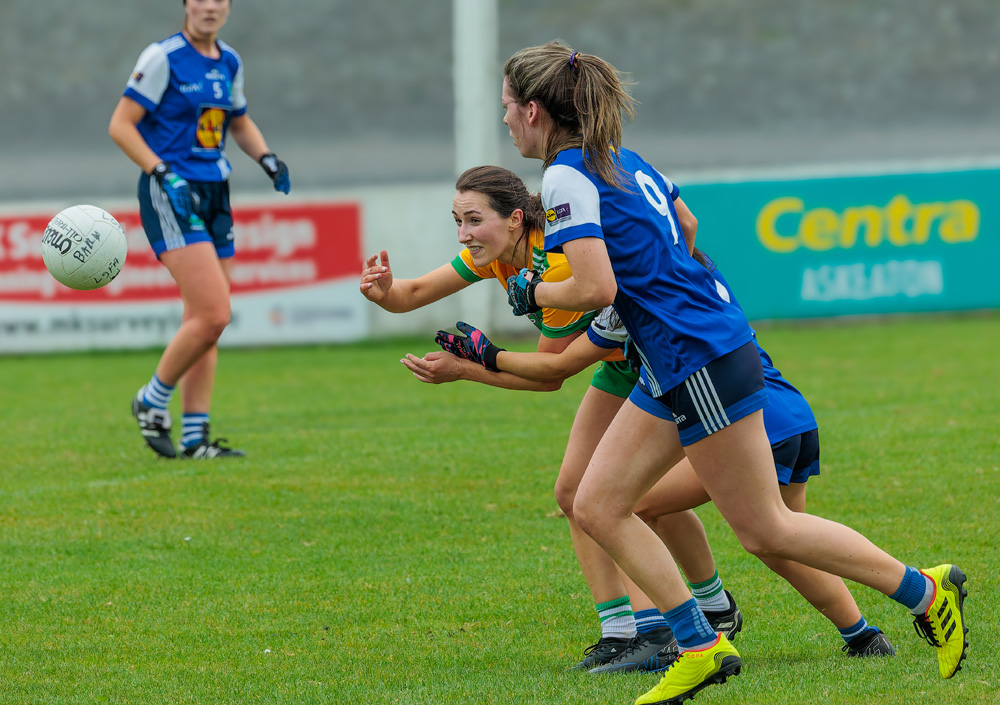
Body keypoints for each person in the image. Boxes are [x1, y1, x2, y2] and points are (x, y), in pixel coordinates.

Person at [499, 40, 968, 703]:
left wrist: (532, 291)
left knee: (764, 527)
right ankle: (701, 644)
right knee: (597, 503)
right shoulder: (623, 159)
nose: (506, 121)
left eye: (507, 108)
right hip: (683, 352)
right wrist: (664, 291)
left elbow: (596, 287)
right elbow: (685, 223)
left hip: (695, 354)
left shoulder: (564, 176)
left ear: (535, 111)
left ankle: (924, 590)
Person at [428, 254, 896, 672]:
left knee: (621, 505)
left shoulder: (643, 298)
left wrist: (487, 353)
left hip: (743, 419)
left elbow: (558, 366)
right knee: (780, 541)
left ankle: (679, 625)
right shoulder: (690, 276)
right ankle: (864, 634)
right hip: (789, 413)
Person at [381, 166, 735, 673]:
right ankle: (633, 628)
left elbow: (550, 373)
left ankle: (665, 625)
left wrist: (470, 366)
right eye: (457, 221)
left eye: (473, 220)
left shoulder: (556, 262)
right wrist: (383, 292)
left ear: (515, 219)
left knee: (632, 502)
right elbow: (412, 293)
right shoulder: (497, 254)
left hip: (658, 364)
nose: (463, 234)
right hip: (621, 365)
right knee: (577, 494)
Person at [109, 0, 290, 459]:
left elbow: (238, 120)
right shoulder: (163, 57)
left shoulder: (229, 61)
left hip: (215, 192)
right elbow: (121, 125)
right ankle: (151, 400)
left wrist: (266, 158)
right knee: (214, 314)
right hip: (172, 192)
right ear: (186, 4)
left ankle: (194, 438)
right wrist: (162, 172)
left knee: (205, 323)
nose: (210, 6)